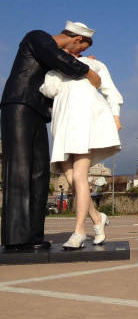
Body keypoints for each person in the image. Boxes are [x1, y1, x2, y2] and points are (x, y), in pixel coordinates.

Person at [0, 21, 102, 251]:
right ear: (76, 39)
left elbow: (60, 75)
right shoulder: (37, 37)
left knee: (39, 172)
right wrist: (86, 70)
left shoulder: (54, 58)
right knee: (19, 169)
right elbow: (59, 59)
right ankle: (16, 238)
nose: (78, 54)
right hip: (18, 105)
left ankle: (33, 236)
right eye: (81, 49)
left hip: (37, 112)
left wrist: (81, 63)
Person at [40, 22, 123, 249]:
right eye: (82, 45)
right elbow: (49, 90)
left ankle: (79, 232)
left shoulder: (93, 64)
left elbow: (110, 91)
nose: (82, 50)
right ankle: (97, 218)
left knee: (79, 174)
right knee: (71, 177)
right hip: (63, 124)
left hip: (87, 121)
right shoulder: (55, 69)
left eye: (84, 47)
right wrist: (54, 67)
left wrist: (115, 116)